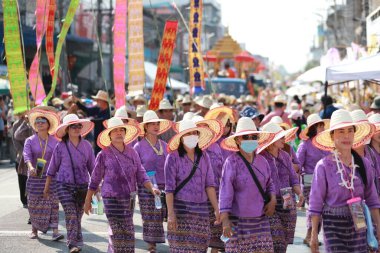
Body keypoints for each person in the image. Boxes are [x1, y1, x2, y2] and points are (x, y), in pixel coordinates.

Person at [84, 117, 159, 252]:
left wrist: (152, 188)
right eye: (115, 131)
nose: (119, 133)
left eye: (121, 130)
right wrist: (88, 200)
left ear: (125, 133)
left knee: (129, 235)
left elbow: (141, 173)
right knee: (117, 232)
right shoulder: (103, 154)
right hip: (111, 198)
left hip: (128, 198)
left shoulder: (132, 152)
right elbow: (94, 179)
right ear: (109, 135)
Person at [309, 109, 380, 253]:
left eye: (349, 131)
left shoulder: (364, 164)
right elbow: (315, 203)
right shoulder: (323, 166)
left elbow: (372, 198)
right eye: (340, 131)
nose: (346, 136)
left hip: (359, 225)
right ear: (332, 135)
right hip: (333, 226)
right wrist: (313, 235)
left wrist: (378, 227)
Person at [219, 117, 276, 252]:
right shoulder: (231, 162)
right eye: (246, 137)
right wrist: (225, 219)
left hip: (261, 220)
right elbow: (225, 192)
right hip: (238, 222)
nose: (250, 139)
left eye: (253, 136)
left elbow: (270, 183)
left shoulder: (263, 161)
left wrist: (273, 199)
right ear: (238, 140)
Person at [165, 119, 220, 252]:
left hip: (201, 211)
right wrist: (171, 214)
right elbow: (169, 189)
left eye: (195, 133)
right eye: (189, 134)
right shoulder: (173, 158)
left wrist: (216, 208)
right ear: (181, 137)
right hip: (181, 210)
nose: (192, 136)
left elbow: (209, 185)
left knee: (200, 248)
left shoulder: (204, 156)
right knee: (181, 248)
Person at [44, 114, 95, 253]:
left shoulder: (87, 146)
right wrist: (47, 187)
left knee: (77, 216)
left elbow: (93, 168)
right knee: (71, 214)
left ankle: (77, 241)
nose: (76, 128)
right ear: (67, 129)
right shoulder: (60, 146)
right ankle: (72, 243)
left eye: (78, 126)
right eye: (73, 126)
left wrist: (97, 187)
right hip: (63, 186)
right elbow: (52, 168)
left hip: (83, 186)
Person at [258, 122, 304, 253]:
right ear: (272, 140)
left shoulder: (284, 156)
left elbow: (293, 178)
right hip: (270, 202)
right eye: (281, 137)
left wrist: (300, 193)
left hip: (288, 202)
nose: (284, 139)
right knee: (276, 239)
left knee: (284, 241)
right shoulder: (261, 157)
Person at [133, 110, 171, 252]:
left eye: (157, 124)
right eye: (152, 124)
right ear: (145, 127)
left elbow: (171, 166)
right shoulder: (139, 146)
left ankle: (154, 239)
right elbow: (136, 168)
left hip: (163, 184)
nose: (155, 126)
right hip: (145, 185)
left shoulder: (165, 145)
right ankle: (151, 244)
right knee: (148, 214)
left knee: (159, 214)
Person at [23, 109, 62, 240]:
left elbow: (59, 159)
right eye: (37, 121)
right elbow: (26, 155)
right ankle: (34, 230)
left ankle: (55, 231)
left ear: (48, 124)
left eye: (42, 121)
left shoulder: (55, 141)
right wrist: (30, 167)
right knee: (33, 203)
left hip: (51, 177)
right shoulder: (29, 140)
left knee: (53, 203)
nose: (39, 123)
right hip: (34, 177)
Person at [191, 115, 225, 252]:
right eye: (200, 126)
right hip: (197, 195)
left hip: (215, 192)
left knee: (216, 226)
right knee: (200, 230)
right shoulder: (193, 148)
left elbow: (221, 168)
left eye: (206, 126)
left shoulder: (216, 147)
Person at [297, 114, 330, 246]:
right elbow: (298, 165)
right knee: (314, 208)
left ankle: (311, 235)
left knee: (321, 209)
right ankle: (310, 235)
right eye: (319, 126)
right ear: (313, 128)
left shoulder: (327, 144)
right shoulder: (304, 145)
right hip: (309, 181)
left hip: (325, 181)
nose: (322, 128)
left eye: (322, 125)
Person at [73, 90, 111, 155]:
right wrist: (77, 102)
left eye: (98, 100)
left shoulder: (109, 112)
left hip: (105, 138)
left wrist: (91, 120)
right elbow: (87, 110)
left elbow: (103, 120)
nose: (97, 102)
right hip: (96, 136)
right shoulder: (97, 109)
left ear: (104, 101)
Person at [13, 111, 33, 210]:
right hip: (21, 157)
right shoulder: (16, 124)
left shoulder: (34, 122)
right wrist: (23, 152)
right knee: (22, 180)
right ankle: (24, 200)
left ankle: (34, 200)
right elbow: (15, 140)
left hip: (34, 158)